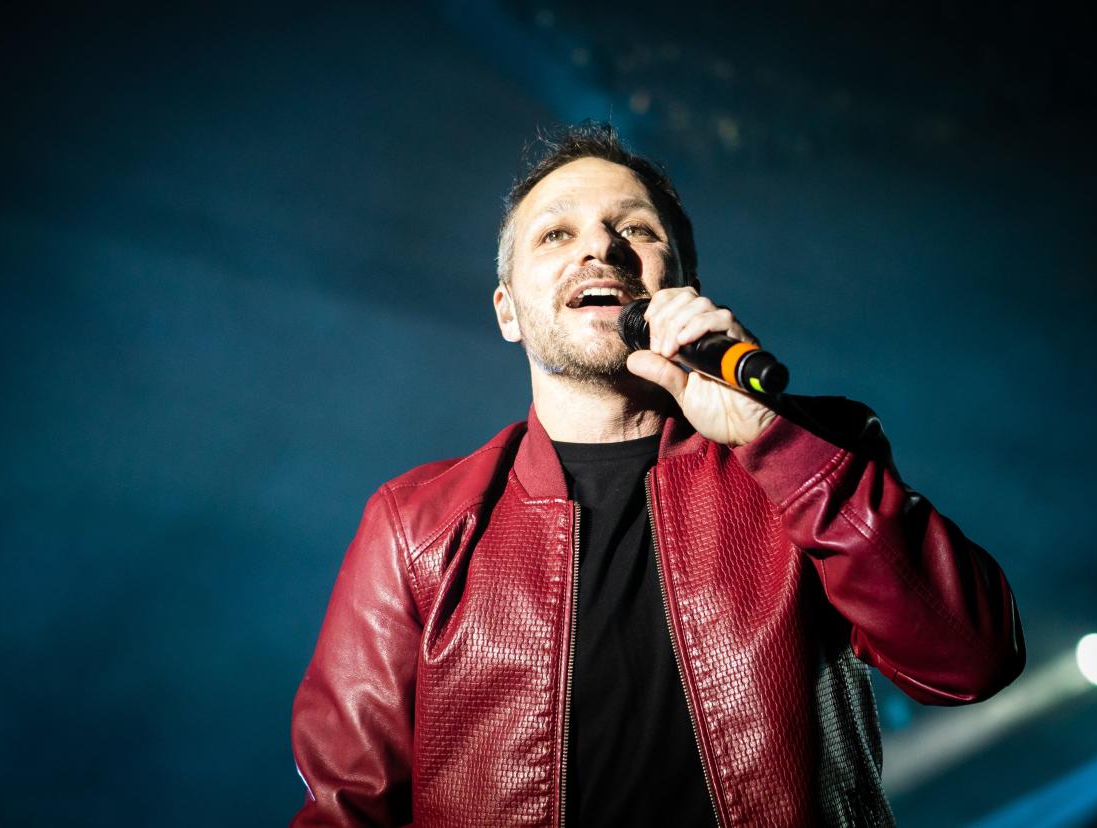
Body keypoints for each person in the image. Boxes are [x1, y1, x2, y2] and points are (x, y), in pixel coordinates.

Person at [290, 122, 1025, 828]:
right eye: (556, 234)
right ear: (507, 311)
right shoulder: (416, 523)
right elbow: (346, 810)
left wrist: (771, 439)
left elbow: (971, 660)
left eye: (635, 228)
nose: (600, 248)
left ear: (684, 283)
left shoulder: (812, 447)